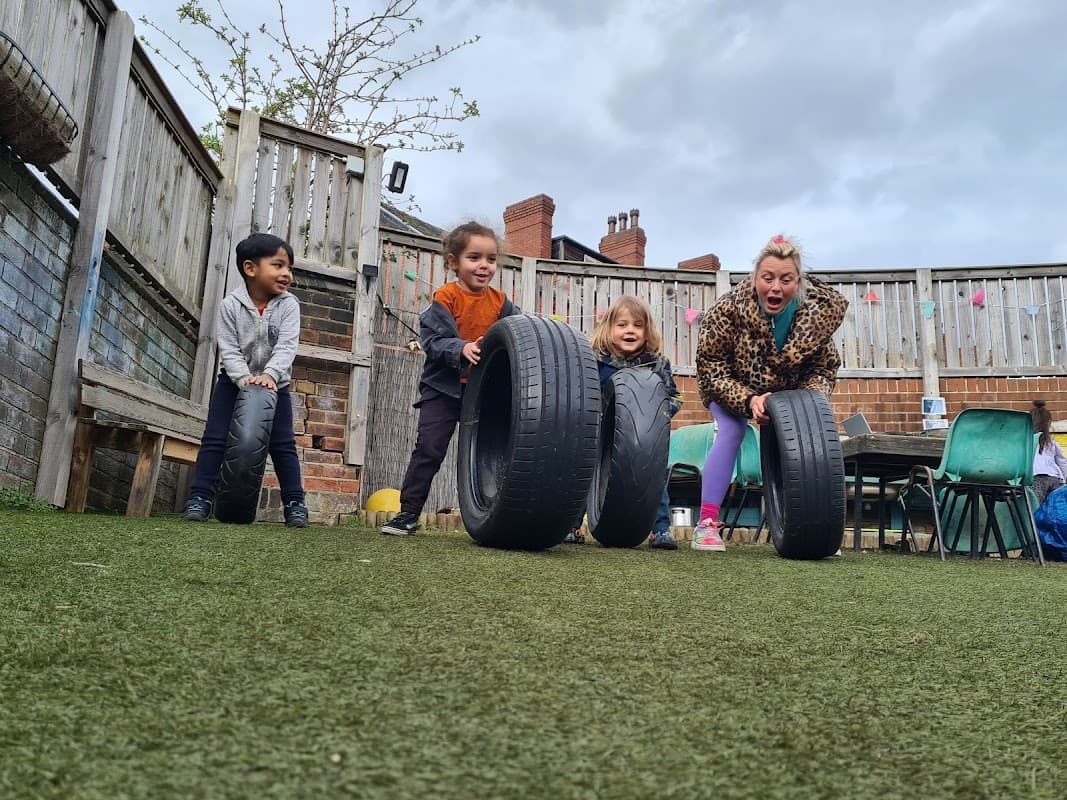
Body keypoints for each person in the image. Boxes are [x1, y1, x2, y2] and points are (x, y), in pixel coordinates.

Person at [692, 234, 848, 551]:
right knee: (733, 430)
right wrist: (748, 400)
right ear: (755, 278)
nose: (776, 288)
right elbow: (711, 366)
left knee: (803, 436)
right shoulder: (728, 310)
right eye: (768, 278)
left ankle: (809, 526)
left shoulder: (815, 316)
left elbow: (824, 367)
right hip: (732, 385)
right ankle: (706, 524)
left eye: (785, 280)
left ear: (797, 282)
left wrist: (804, 402)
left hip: (787, 392)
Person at [381, 222, 520, 536]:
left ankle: (493, 515)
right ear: (453, 262)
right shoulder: (445, 297)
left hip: (483, 393)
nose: (484, 265)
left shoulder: (501, 303)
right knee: (429, 448)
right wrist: (462, 348)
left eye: (491, 259)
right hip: (442, 390)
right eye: (474, 257)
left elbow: (519, 333)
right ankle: (408, 513)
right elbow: (433, 341)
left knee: (491, 451)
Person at [182, 232, 309, 527]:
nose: (287, 274)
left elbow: (287, 347)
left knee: (283, 445)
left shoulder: (289, 305)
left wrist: (269, 376)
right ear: (250, 268)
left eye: (289, 268)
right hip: (232, 383)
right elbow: (228, 349)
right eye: (278, 265)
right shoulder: (230, 306)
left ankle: (295, 504)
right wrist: (244, 379)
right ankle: (200, 498)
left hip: (277, 386)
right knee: (215, 439)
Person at [571, 295, 681, 549]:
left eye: (637, 325)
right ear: (609, 329)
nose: (630, 330)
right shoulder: (596, 361)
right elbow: (583, 393)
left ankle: (660, 530)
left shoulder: (655, 364)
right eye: (622, 325)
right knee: (584, 475)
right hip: (600, 436)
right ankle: (572, 526)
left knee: (654, 481)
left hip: (642, 440)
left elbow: (674, 396)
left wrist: (660, 416)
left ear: (647, 331)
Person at [1031, 400, 1067, 505]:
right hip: (1054, 478)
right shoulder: (1051, 442)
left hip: (1035, 478)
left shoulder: (1026, 442)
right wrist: (1064, 480)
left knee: (1035, 508)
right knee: (1054, 508)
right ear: (1049, 423)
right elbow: (1062, 462)